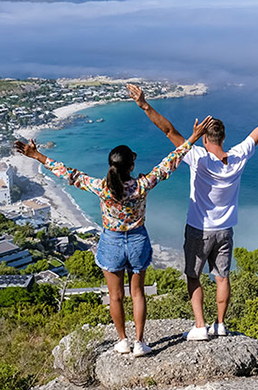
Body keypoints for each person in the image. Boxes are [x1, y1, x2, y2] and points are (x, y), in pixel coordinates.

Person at [14, 115, 213, 356]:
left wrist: (37, 156)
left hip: (111, 242)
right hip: (138, 240)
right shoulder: (142, 185)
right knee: (138, 293)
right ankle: (140, 342)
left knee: (115, 296)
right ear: (131, 166)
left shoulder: (102, 188)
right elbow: (169, 162)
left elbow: (70, 175)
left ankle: (122, 341)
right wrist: (193, 137)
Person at [128, 81, 258, 340]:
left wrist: (144, 105)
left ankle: (200, 326)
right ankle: (220, 324)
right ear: (223, 137)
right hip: (225, 230)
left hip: (199, 229)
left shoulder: (197, 156)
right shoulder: (238, 156)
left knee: (193, 276)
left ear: (203, 137)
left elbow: (168, 130)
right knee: (222, 278)